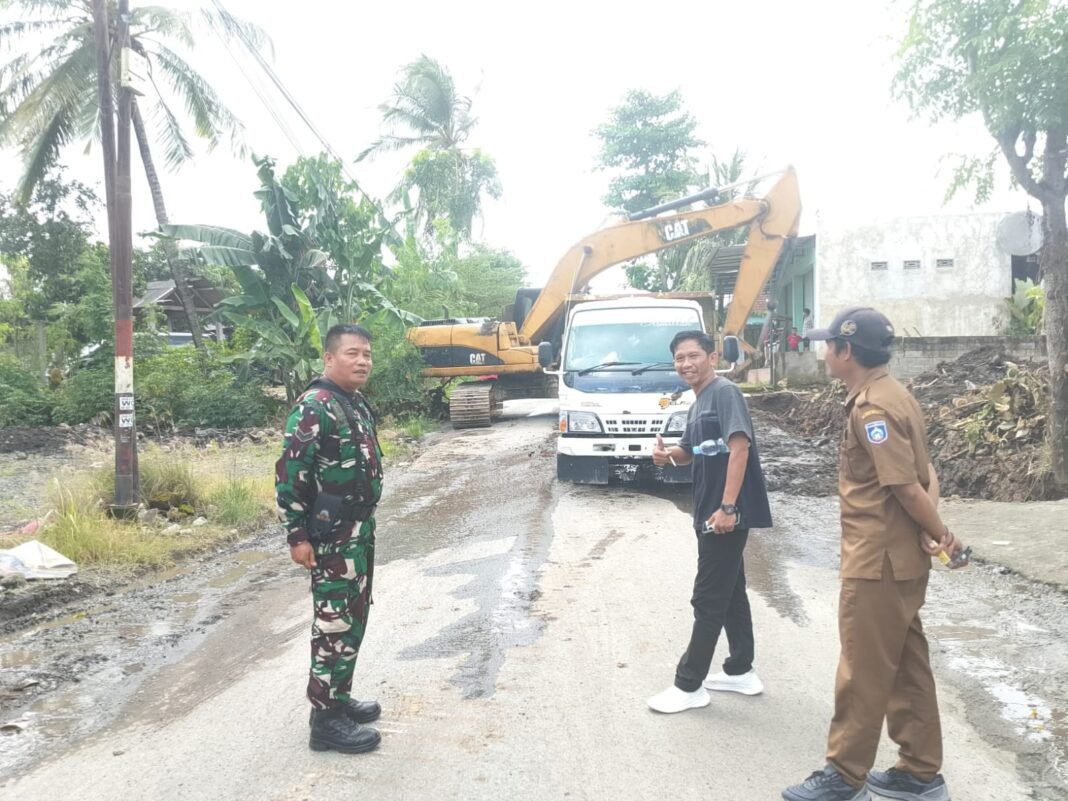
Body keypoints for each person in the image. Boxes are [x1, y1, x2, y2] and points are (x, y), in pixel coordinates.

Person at [782, 307, 966, 801]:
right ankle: (920, 772)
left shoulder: (873, 410)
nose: (823, 354)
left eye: (828, 346)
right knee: (906, 665)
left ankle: (844, 776)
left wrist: (942, 533)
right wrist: (929, 528)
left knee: (862, 669)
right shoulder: (896, 394)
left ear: (846, 351)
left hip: (877, 561)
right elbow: (927, 475)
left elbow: (906, 486)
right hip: (900, 560)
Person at [647, 330, 773, 714]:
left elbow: (740, 448)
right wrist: (668, 455)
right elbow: (690, 451)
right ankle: (740, 670)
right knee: (731, 591)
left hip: (724, 515)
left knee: (707, 597)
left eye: (693, 355)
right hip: (709, 512)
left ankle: (689, 685)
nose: (686, 364)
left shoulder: (724, 393)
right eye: (679, 358)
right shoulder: (698, 402)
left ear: (712, 358)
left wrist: (728, 508)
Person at [275, 324, 385, 754]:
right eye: (353, 353)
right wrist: (297, 536)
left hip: (358, 531)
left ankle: (338, 699)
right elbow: (290, 475)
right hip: (331, 536)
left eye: (367, 354)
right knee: (333, 623)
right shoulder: (314, 406)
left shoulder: (352, 402)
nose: (362, 361)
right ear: (329, 358)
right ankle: (324, 720)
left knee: (353, 618)